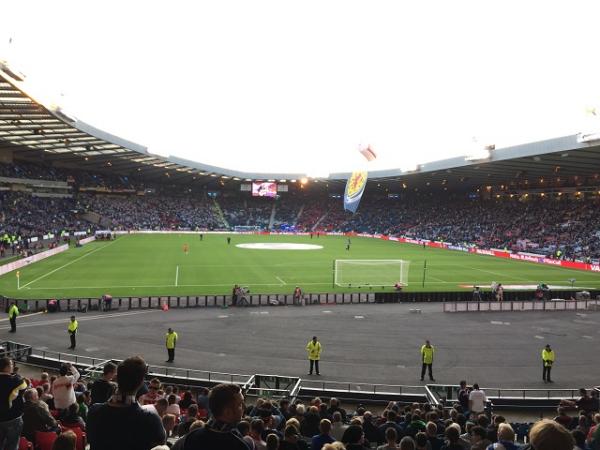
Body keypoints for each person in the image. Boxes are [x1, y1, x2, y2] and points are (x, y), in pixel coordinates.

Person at [87, 356, 166, 450]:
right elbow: (161, 443)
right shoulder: (151, 420)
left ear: (116, 378)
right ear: (141, 383)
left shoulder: (94, 411)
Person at [176, 383, 251, 449]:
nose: (244, 407)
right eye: (240, 404)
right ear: (227, 412)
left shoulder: (190, 439)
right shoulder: (240, 445)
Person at [0, 358, 27, 450]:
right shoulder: (16, 380)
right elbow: (24, 387)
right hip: (13, 418)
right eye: (11, 365)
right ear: (7, 367)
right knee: (12, 444)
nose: (13, 367)